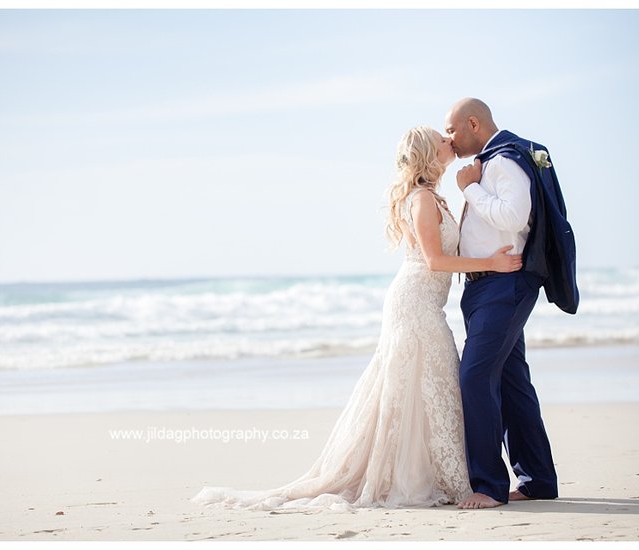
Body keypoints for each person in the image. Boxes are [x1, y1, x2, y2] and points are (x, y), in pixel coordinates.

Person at [191, 125, 522, 511]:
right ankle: (431, 479)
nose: (450, 142)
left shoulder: (435, 197)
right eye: (441, 140)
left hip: (428, 304)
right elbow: (434, 261)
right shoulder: (421, 200)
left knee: (432, 385)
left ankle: (440, 474)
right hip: (413, 303)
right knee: (425, 383)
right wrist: (492, 264)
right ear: (428, 155)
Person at [444, 98, 559, 510]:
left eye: (453, 130)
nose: (449, 138)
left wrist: (469, 189)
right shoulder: (489, 162)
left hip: (504, 286)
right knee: (511, 381)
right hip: (483, 288)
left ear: (473, 123)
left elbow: (514, 216)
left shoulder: (502, 161)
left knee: (474, 377)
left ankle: (489, 485)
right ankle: (538, 481)